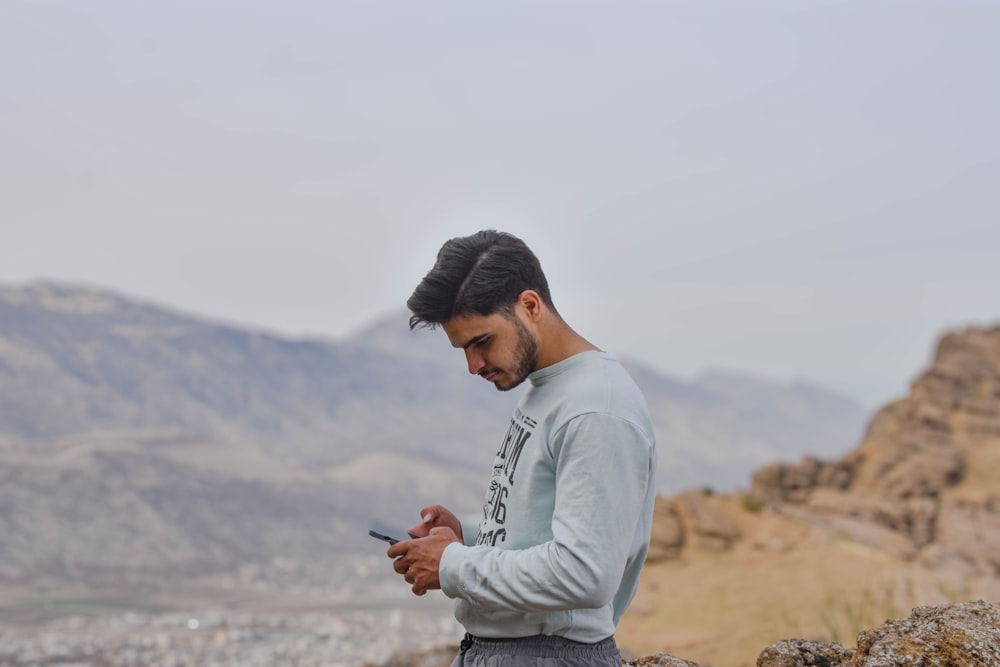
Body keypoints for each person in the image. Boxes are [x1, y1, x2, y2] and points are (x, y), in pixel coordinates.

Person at [386, 230, 657, 667]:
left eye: (481, 342)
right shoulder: (551, 387)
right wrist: (469, 534)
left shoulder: (596, 407)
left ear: (529, 306)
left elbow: (585, 574)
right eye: (463, 349)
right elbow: (546, 526)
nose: (473, 366)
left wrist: (453, 564)